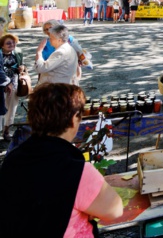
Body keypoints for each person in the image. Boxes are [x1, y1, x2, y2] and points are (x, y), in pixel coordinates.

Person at [0, 83, 123, 237]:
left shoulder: (13, 159)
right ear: (73, 119)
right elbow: (115, 210)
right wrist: (88, 211)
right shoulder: (77, 170)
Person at [0, 34, 19, 141]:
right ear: (2, 45)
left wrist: (22, 68)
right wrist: (7, 83)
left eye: (13, 42)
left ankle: (6, 130)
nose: (12, 45)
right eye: (8, 43)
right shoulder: (0, 55)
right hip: (2, 85)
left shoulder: (17, 53)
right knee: (1, 110)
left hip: (14, 83)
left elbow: (19, 65)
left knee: (12, 108)